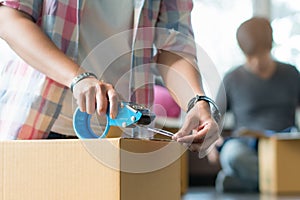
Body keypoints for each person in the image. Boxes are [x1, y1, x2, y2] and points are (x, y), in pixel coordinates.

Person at [0, 0, 220, 155]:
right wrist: (78, 78)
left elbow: (175, 47)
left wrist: (197, 101)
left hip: (122, 139)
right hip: (38, 124)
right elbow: (9, 16)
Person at [211, 17, 300, 192]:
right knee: (232, 154)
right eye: (251, 56)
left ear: (271, 46)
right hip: (246, 147)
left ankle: (242, 182)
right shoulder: (232, 78)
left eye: (262, 54)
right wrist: (211, 141)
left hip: (283, 145)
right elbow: (214, 117)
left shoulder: (291, 73)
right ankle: (288, 180)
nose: (257, 62)